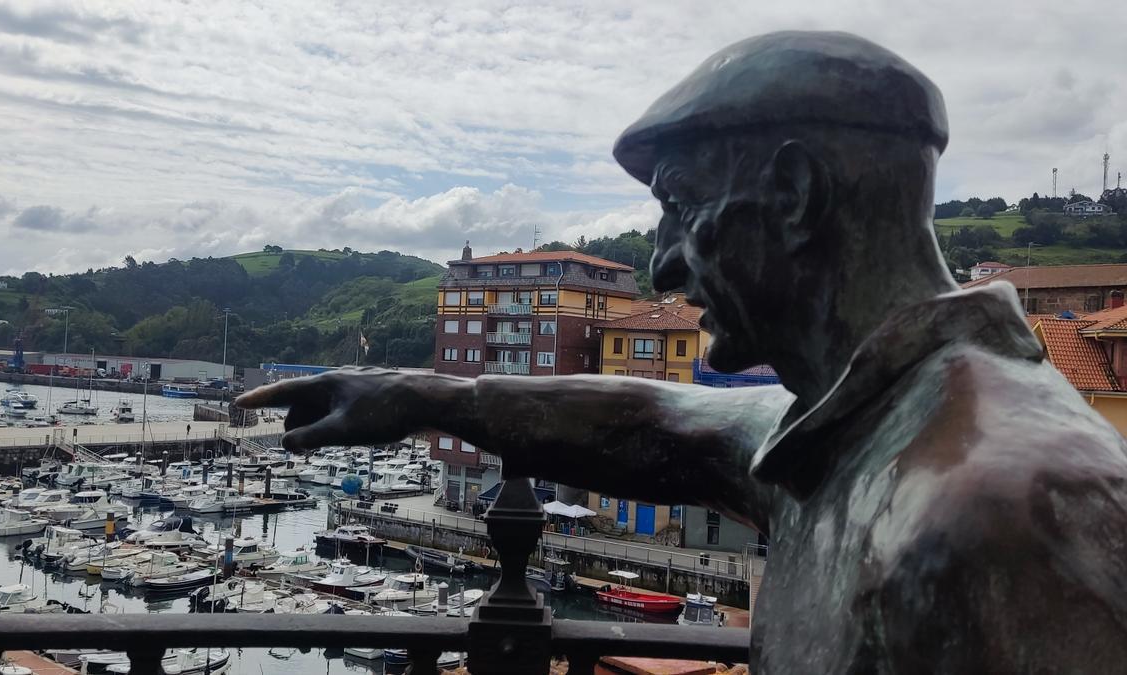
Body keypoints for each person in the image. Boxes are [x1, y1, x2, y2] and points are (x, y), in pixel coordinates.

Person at [239, 31, 1127, 672]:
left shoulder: (1006, 514)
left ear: (792, 195)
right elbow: (659, 414)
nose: (662, 260)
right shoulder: (857, 427)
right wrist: (421, 394)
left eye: (680, 205)